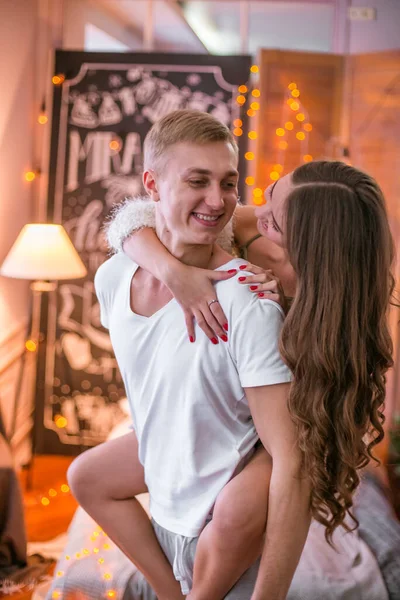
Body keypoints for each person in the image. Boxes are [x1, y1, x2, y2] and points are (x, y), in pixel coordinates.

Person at [68, 110, 394, 600]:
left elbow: (295, 458)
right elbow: (145, 218)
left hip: (291, 423)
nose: (246, 213)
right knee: (86, 475)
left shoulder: (279, 304)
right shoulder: (254, 236)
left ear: (308, 247)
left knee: (245, 503)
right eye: (262, 195)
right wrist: (173, 272)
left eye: (273, 218)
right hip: (234, 412)